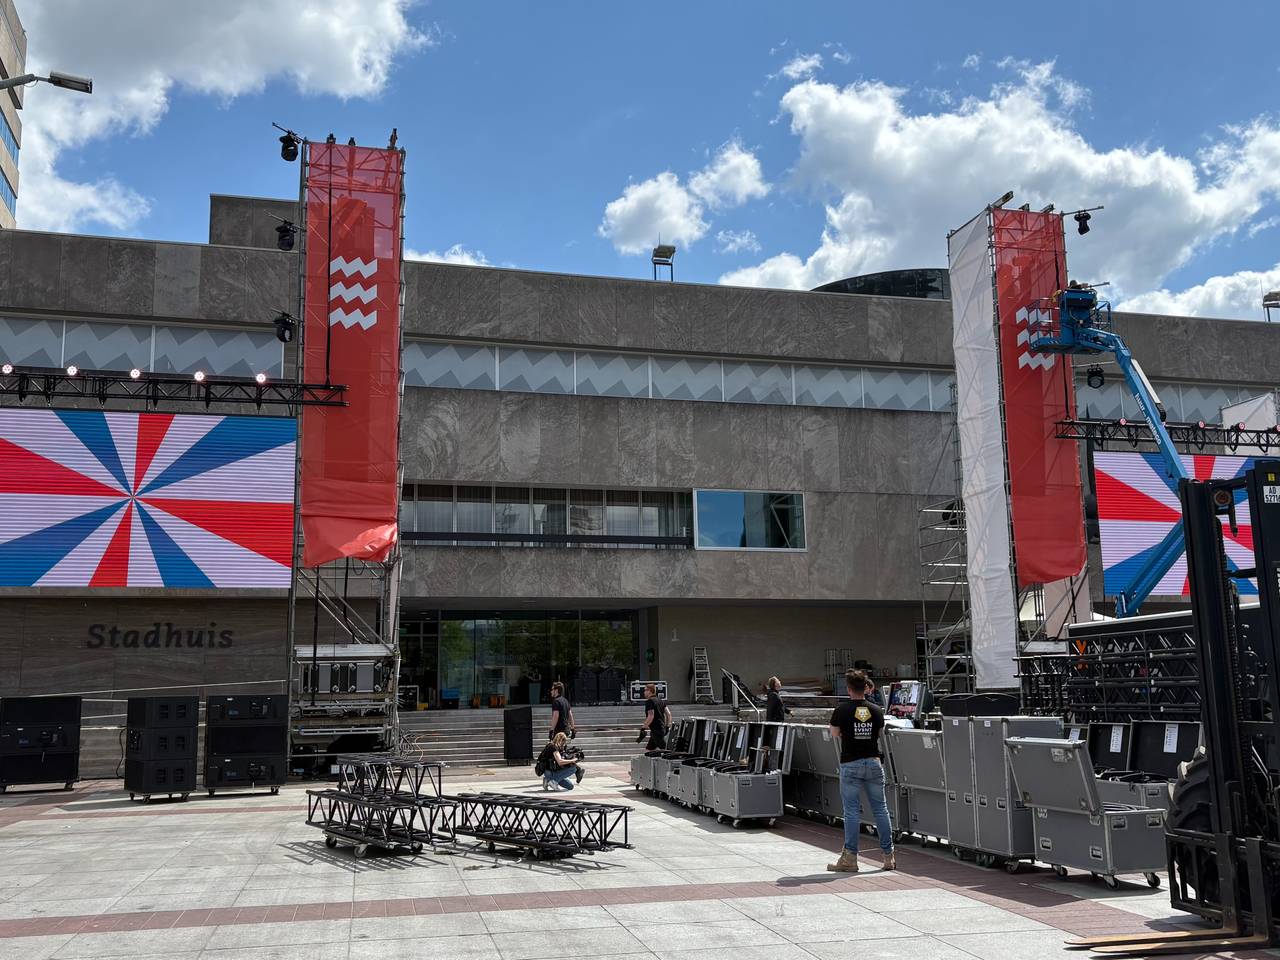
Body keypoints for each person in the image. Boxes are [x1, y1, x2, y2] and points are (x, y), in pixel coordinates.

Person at [827, 669, 895, 873]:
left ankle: (850, 858)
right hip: (874, 763)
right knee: (880, 809)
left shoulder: (842, 710)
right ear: (865, 688)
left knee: (851, 812)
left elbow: (834, 733)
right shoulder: (876, 710)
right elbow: (879, 732)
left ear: (849, 689)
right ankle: (888, 857)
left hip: (851, 763)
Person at [640, 683, 672, 751]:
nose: (644, 692)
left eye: (645, 690)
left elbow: (651, 715)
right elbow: (668, 714)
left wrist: (643, 727)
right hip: (660, 729)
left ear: (650, 691)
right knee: (649, 750)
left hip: (656, 730)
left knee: (665, 750)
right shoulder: (661, 701)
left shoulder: (649, 701)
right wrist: (667, 726)